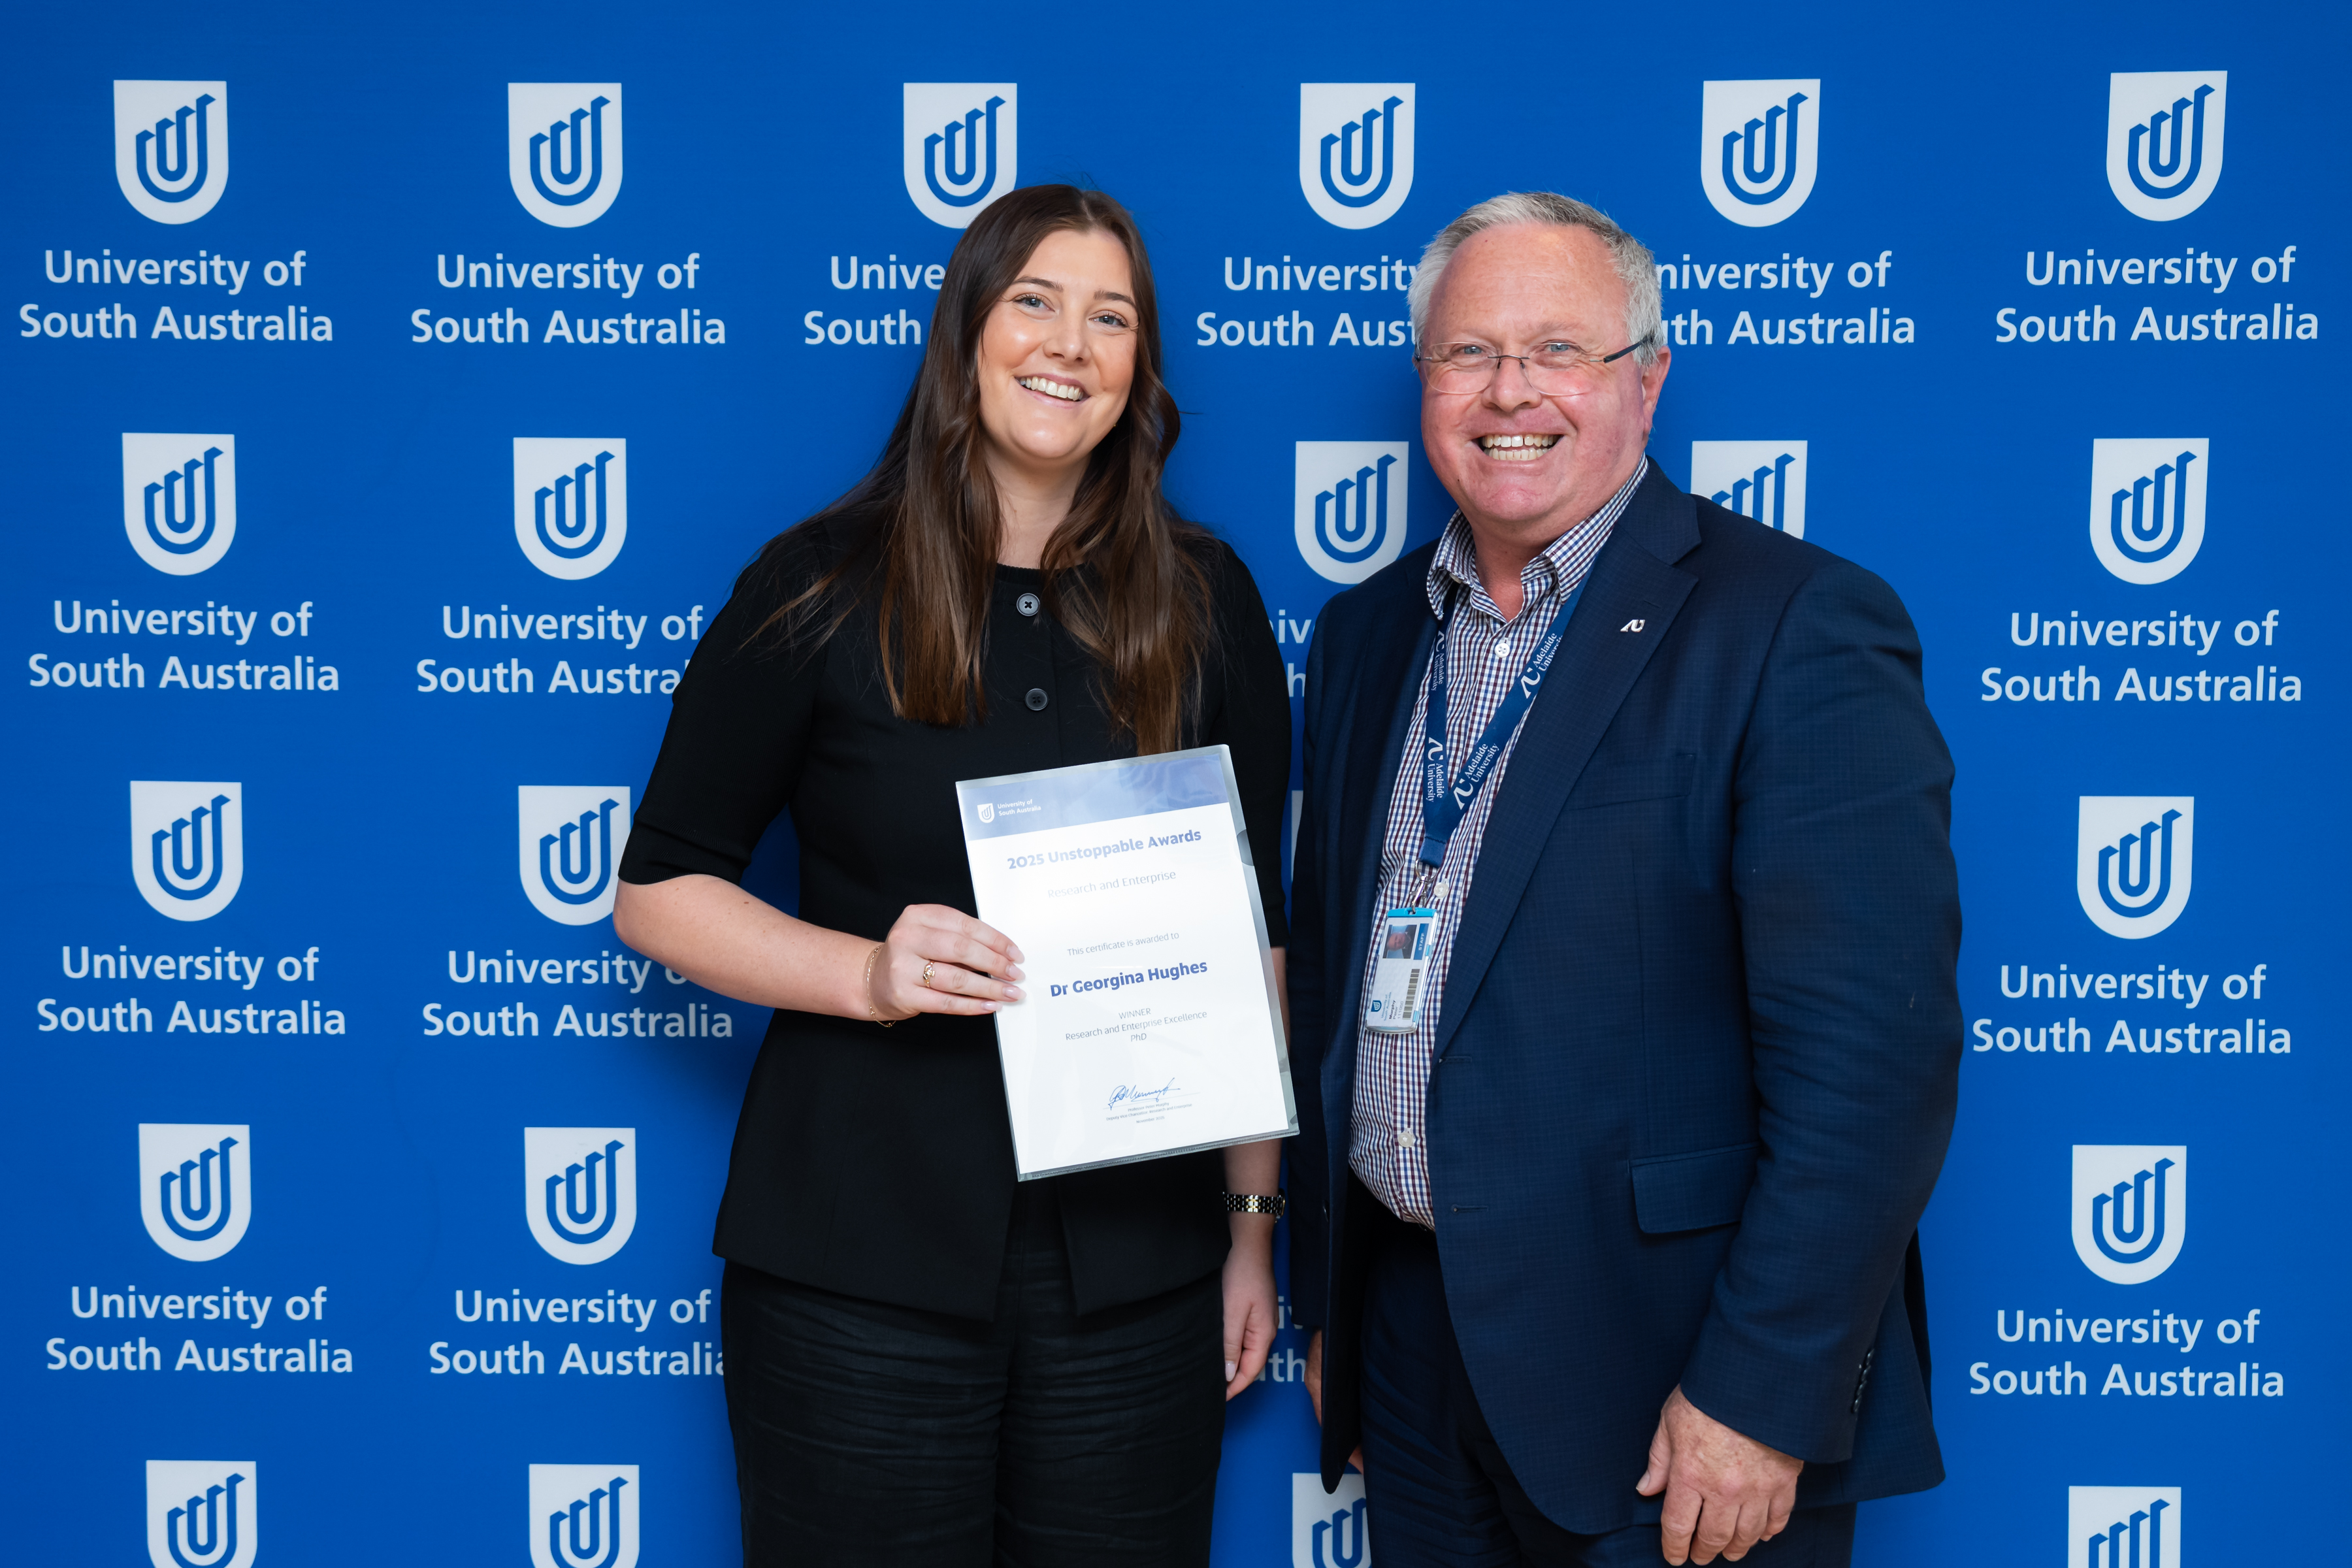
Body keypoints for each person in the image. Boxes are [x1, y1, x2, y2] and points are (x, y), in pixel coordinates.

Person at [611, 184, 1292, 1567]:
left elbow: (1252, 946)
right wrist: (862, 972)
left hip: (1136, 1273)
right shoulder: (814, 587)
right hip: (857, 1261)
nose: (1071, 343)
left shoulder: (1209, 600)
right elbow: (659, 891)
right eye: (1035, 300)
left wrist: (1249, 1232)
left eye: (1112, 318)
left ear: (1139, 370)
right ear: (967, 331)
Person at [1287, 191, 1961, 1567]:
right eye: (1468, 354)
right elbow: (1350, 989)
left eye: (1560, 351)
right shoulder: (1366, 638)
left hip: (1672, 1380)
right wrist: (1342, 1317)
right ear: (1425, 385)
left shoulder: (1796, 624)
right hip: (1415, 1351)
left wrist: (1760, 1397)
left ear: (1647, 382)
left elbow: (1873, 1066)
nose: (1510, 392)